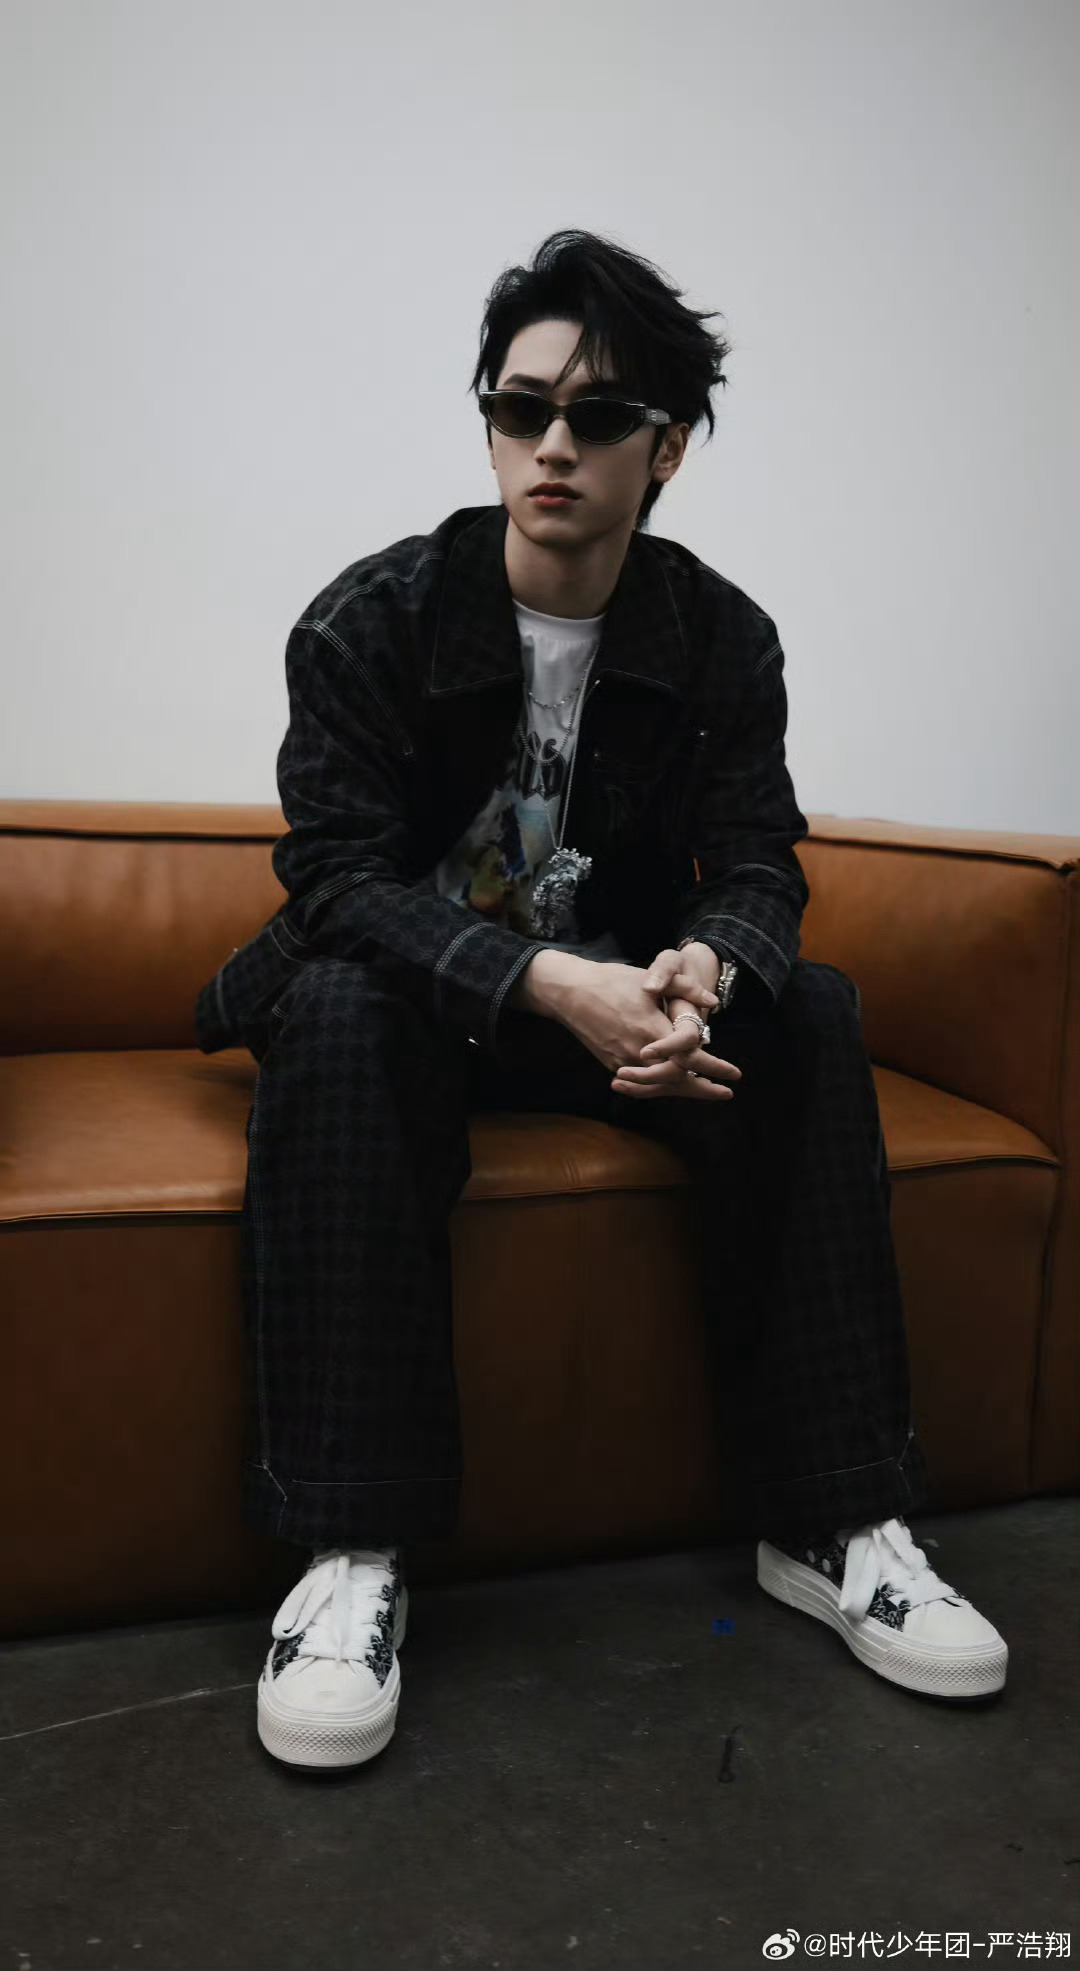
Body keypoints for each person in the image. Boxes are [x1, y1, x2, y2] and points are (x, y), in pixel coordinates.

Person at [194, 228, 1007, 1772]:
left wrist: (712, 967)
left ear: (668, 448)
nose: (553, 445)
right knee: (346, 1010)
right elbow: (337, 884)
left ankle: (838, 1521)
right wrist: (545, 979)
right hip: (417, 1007)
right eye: (521, 409)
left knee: (812, 1008)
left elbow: (757, 859)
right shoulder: (370, 621)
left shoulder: (720, 636)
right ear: (491, 428)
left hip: (612, 1010)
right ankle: (348, 1553)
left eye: (599, 415)